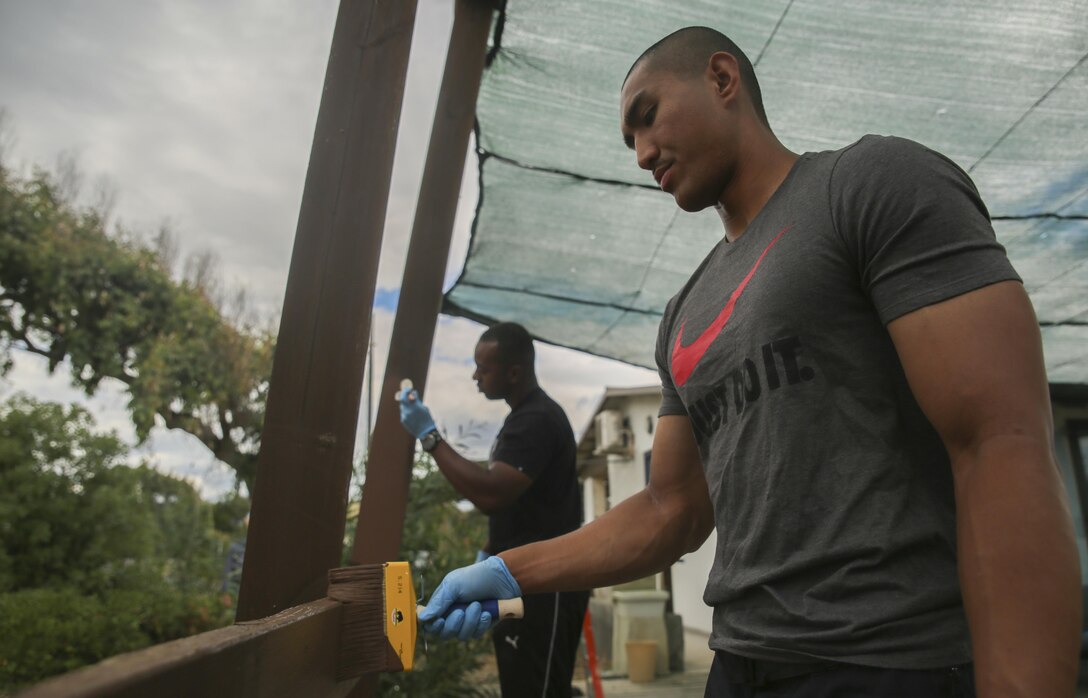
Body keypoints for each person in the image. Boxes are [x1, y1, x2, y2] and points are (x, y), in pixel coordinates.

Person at [416, 26, 1082, 698]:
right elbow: (667, 508)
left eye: (647, 118)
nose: (643, 153)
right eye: (630, 142)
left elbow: (999, 440)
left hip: (890, 663)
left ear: (722, 79)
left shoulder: (871, 184)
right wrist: (510, 571)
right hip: (738, 665)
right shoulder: (683, 314)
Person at [398, 321, 590, 698]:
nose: (474, 376)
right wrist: (490, 548)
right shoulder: (522, 418)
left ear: (514, 372)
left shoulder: (536, 420)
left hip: (545, 586)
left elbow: (492, 494)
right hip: (522, 583)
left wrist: (430, 437)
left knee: (539, 690)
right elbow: (520, 505)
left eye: (483, 368)